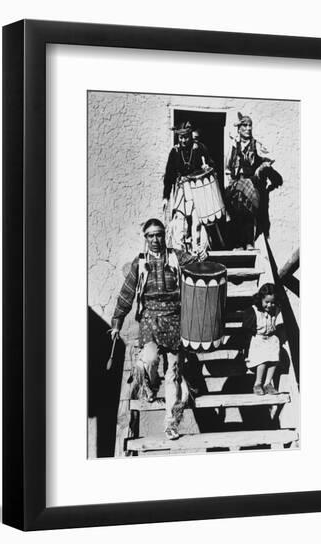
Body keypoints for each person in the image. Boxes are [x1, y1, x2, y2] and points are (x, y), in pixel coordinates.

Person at [110, 218, 206, 440]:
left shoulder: (176, 257)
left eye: (158, 234)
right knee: (150, 359)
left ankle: (171, 422)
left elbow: (195, 266)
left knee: (173, 373)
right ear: (146, 238)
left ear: (164, 236)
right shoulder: (140, 262)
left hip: (174, 318)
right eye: (150, 235)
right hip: (150, 319)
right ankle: (151, 385)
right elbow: (126, 294)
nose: (155, 239)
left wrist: (200, 257)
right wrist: (117, 322)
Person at [225, 113, 283, 249]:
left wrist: (261, 168)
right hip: (236, 183)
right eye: (245, 125)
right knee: (235, 212)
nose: (248, 128)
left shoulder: (256, 144)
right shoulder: (233, 145)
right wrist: (230, 180)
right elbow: (227, 166)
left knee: (248, 212)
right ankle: (238, 244)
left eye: (250, 125)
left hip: (251, 182)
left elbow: (270, 158)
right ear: (239, 129)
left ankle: (249, 242)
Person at [163, 121, 215, 253]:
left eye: (186, 137)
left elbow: (211, 166)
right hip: (182, 189)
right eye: (181, 137)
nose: (183, 140)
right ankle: (179, 251)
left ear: (190, 135)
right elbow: (169, 175)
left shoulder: (200, 148)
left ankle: (199, 250)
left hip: (198, 188)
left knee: (198, 221)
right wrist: (165, 196)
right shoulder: (174, 152)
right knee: (180, 220)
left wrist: (207, 167)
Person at [242, 283, 283, 396]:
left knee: (274, 357)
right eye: (267, 302)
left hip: (271, 337)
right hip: (258, 339)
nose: (270, 305)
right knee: (263, 358)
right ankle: (258, 383)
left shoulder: (276, 309)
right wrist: (245, 350)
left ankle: (268, 383)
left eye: (272, 302)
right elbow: (246, 331)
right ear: (260, 299)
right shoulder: (253, 311)